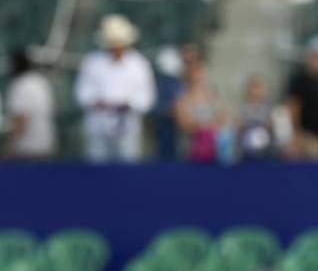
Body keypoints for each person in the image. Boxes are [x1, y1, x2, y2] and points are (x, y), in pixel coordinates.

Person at [75, 14, 156, 163]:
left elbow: (147, 98)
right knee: (97, 171)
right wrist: (97, 102)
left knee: (127, 172)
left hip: (128, 128)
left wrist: (129, 104)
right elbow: (82, 93)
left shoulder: (139, 65)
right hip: (98, 127)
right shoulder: (92, 62)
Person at [284, 35, 318, 160]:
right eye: (317, 56)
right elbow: (293, 107)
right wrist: (296, 136)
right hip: (305, 139)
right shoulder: (299, 81)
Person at [3, 49, 56, 159]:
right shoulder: (41, 82)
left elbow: (21, 119)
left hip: (27, 149)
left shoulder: (20, 85)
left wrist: (8, 148)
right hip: (47, 143)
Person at [173, 62, 228, 162]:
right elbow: (184, 124)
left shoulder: (213, 97)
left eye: (200, 73)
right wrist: (202, 127)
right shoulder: (182, 99)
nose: (198, 77)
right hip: (191, 149)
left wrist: (209, 127)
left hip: (213, 148)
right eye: (194, 74)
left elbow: (222, 119)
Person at [237, 74, 276, 160]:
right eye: (253, 88)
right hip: (247, 141)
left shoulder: (268, 107)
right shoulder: (244, 107)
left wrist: (268, 125)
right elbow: (239, 125)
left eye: (258, 88)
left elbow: (271, 125)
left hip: (264, 141)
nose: (255, 91)